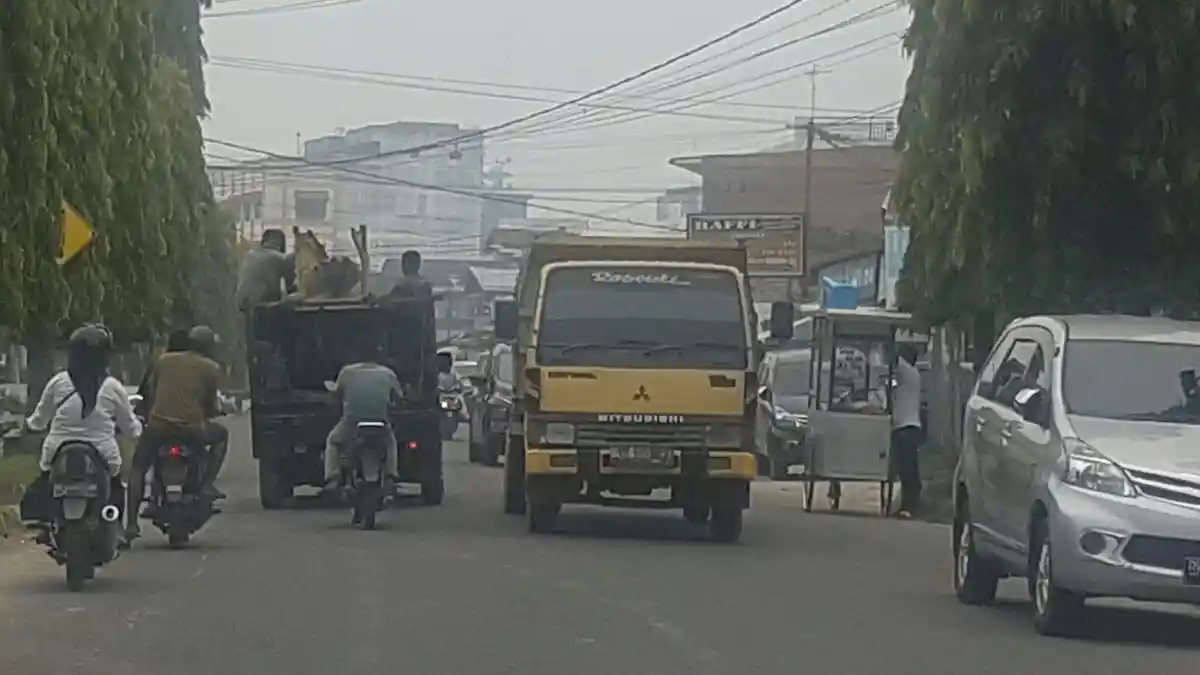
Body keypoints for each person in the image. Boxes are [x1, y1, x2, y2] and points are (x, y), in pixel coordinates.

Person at [23, 324, 138, 531]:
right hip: (103, 451)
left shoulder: (58, 382)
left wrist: (29, 427)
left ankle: (44, 520)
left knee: (44, 478)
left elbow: (39, 419)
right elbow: (130, 427)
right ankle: (116, 527)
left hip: (57, 449)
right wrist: (137, 429)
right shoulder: (113, 387)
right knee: (115, 485)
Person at [125, 325, 228, 541]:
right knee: (221, 435)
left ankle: (132, 524)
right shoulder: (211, 368)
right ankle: (208, 483)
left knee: (138, 468)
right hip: (191, 430)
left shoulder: (164, 360)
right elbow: (209, 405)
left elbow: (151, 392)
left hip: (159, 427)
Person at [324, 343, 404, 491]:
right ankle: (390, 476)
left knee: (333, 441)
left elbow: (336, 395)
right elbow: (399, 398)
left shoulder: (347, 372)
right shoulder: (388, 373)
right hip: (380, 421)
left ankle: (333, 478)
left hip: (352, 423)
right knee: (391, 443)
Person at [891, 343, 924, 518]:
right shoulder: (911, 375)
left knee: (907, 469)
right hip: (908, 426)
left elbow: (894, 358)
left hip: (906, 426)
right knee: (906, 468)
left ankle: (910, 506)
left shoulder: (908, 372)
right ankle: (908, 505)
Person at [235, 229, 296, 310]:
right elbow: (291, 288)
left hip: (240, 303)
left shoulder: (249, 255)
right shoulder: (281, 258)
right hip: (263, 306)